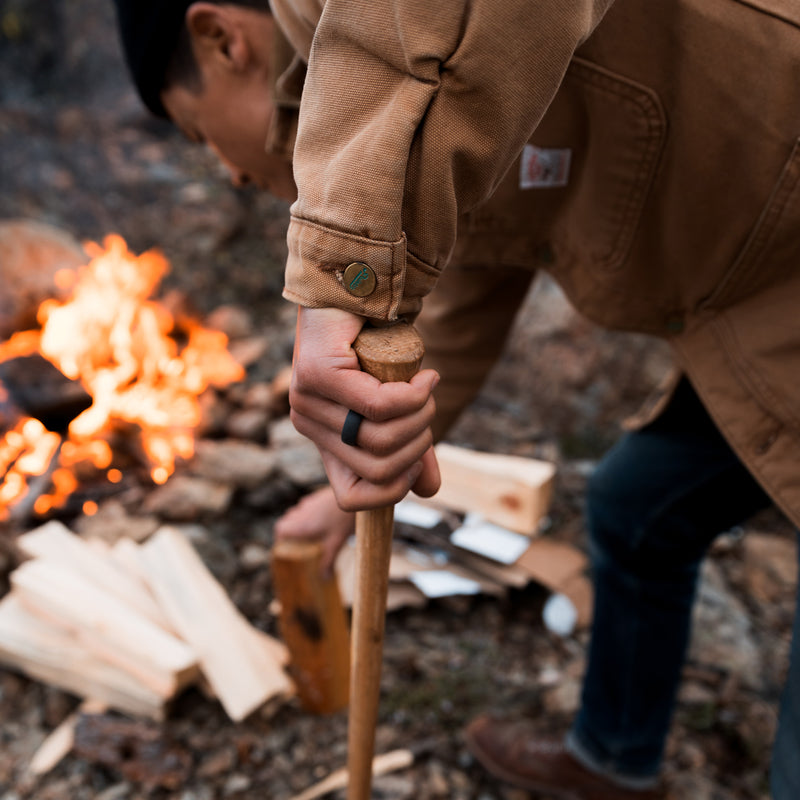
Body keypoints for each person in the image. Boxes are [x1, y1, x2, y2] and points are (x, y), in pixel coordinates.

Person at [111, 1, 800, 798]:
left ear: (221, 39)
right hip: (756, 301)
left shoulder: (380, 28)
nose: (228, 172)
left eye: (199, 136)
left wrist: (335, 283)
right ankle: (613, 761)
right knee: (636, 508)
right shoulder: (425, 115)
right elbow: (474, 278)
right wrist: (350, 486)